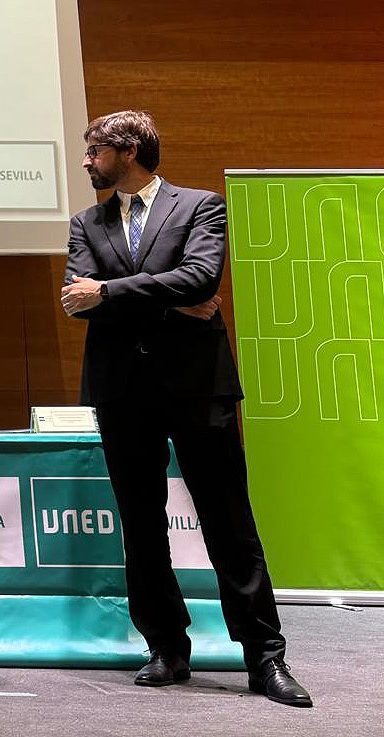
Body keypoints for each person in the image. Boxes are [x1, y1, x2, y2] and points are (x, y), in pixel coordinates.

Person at [60, 110, 311, 707]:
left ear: (127, 150)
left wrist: (113, 293)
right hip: (122, 391)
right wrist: (167, 300)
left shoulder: (200, 205)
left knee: (229, 523)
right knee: (142, 527)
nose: (86, 160)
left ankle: (265, 659)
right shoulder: (85, 221)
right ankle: (166, 648)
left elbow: (200, 277)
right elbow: (77, 299)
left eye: (94, 149)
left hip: (199, 387)